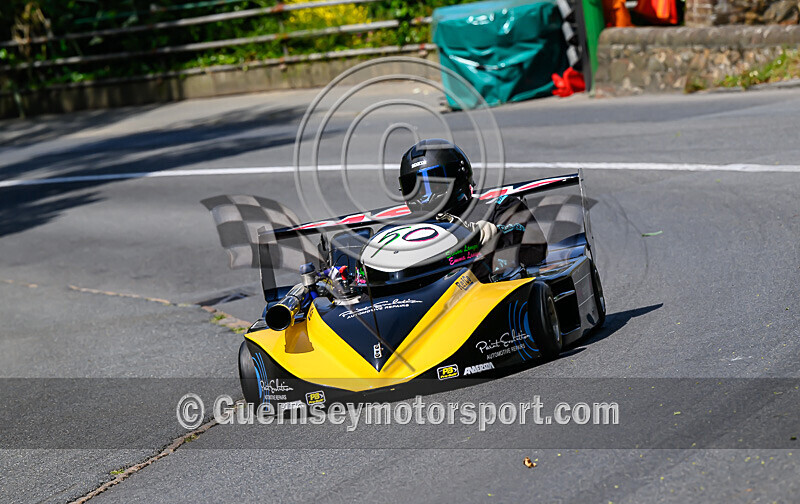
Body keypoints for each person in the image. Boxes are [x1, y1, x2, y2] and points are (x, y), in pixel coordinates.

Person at [398, 139, 547, 271]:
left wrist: (482, 236)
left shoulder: (498, 207)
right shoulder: (404, 229)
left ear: (458, 178)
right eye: (416, 188)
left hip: (483, 293)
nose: (425, 196)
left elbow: (534, 250)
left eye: (434, 185)